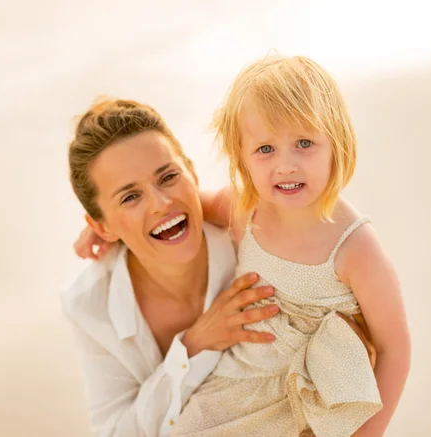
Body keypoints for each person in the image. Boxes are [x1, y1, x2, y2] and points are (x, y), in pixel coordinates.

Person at [63, 97, 375, 437]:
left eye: (168, 177)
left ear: (193, 174)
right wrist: (194, 346)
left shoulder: (255, 241)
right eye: (130, 197)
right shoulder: (90, 303)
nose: (161, 204)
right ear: (101, 227)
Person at [168, 55, 411, 437]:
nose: (285, 165)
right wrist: (107, 229)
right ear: (242, 158)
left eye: (304, 143)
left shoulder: (354, 247)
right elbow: (177, 207)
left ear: (337, 144)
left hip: (316, 400)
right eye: (265, 149)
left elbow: (395, 351)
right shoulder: (242, 209)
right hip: (236, 386)